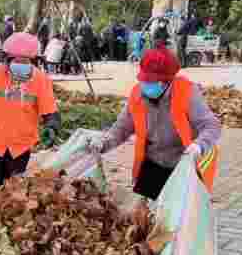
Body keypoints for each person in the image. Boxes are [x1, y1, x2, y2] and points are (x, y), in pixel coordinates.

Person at [88, 48, 221, 200]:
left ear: (167, 81)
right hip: (153, 161)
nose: (146, 85)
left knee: (181, 217)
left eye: (152, 81)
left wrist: (199, 145)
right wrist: (104, 143)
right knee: (146, 215)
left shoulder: (187, 92)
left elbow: (211, 125)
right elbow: (122, 128)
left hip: (184, 163)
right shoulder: (137, 94)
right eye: (144, 80)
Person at [0, 32, 60, 188]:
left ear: (33, 61)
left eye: (26, 61)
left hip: (21, 143)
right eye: (17, 60)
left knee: (15, 189)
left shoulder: (40, 80)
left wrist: (51, 127)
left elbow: (50, 111)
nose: (21, 64)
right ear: (7, 58)